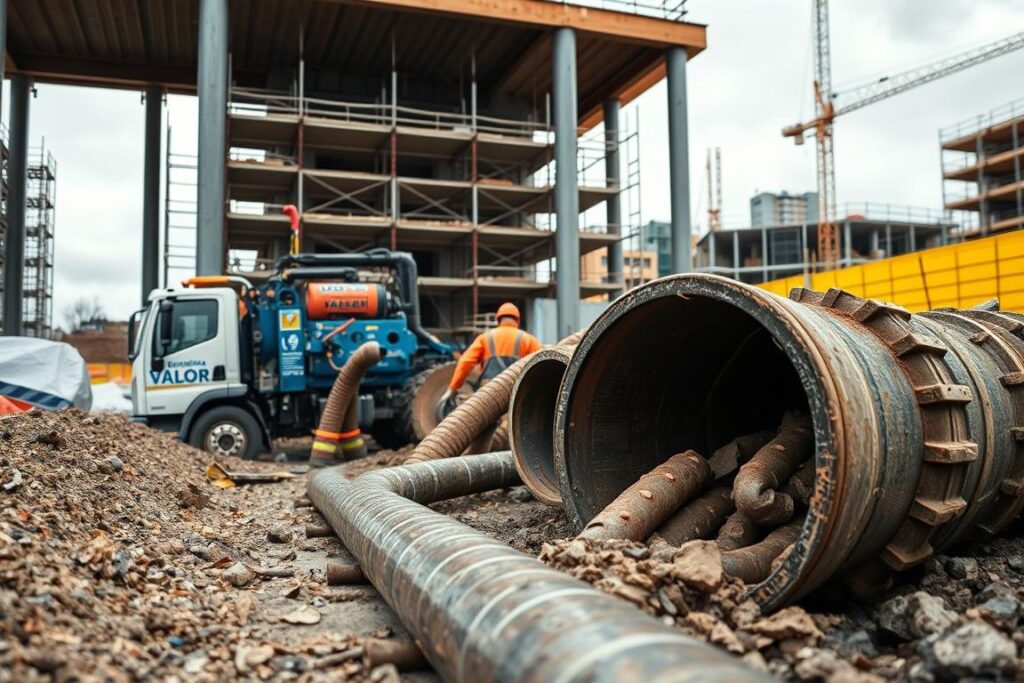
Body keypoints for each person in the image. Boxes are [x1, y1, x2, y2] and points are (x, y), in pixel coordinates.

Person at [441, 302, 541, 404]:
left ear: (498, 320)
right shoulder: (529, 340)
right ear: (518, 320)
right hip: (517, 392)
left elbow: (465, 362)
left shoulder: (485, 338)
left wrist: (453, 388)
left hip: (489, 392)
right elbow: (542, 366)